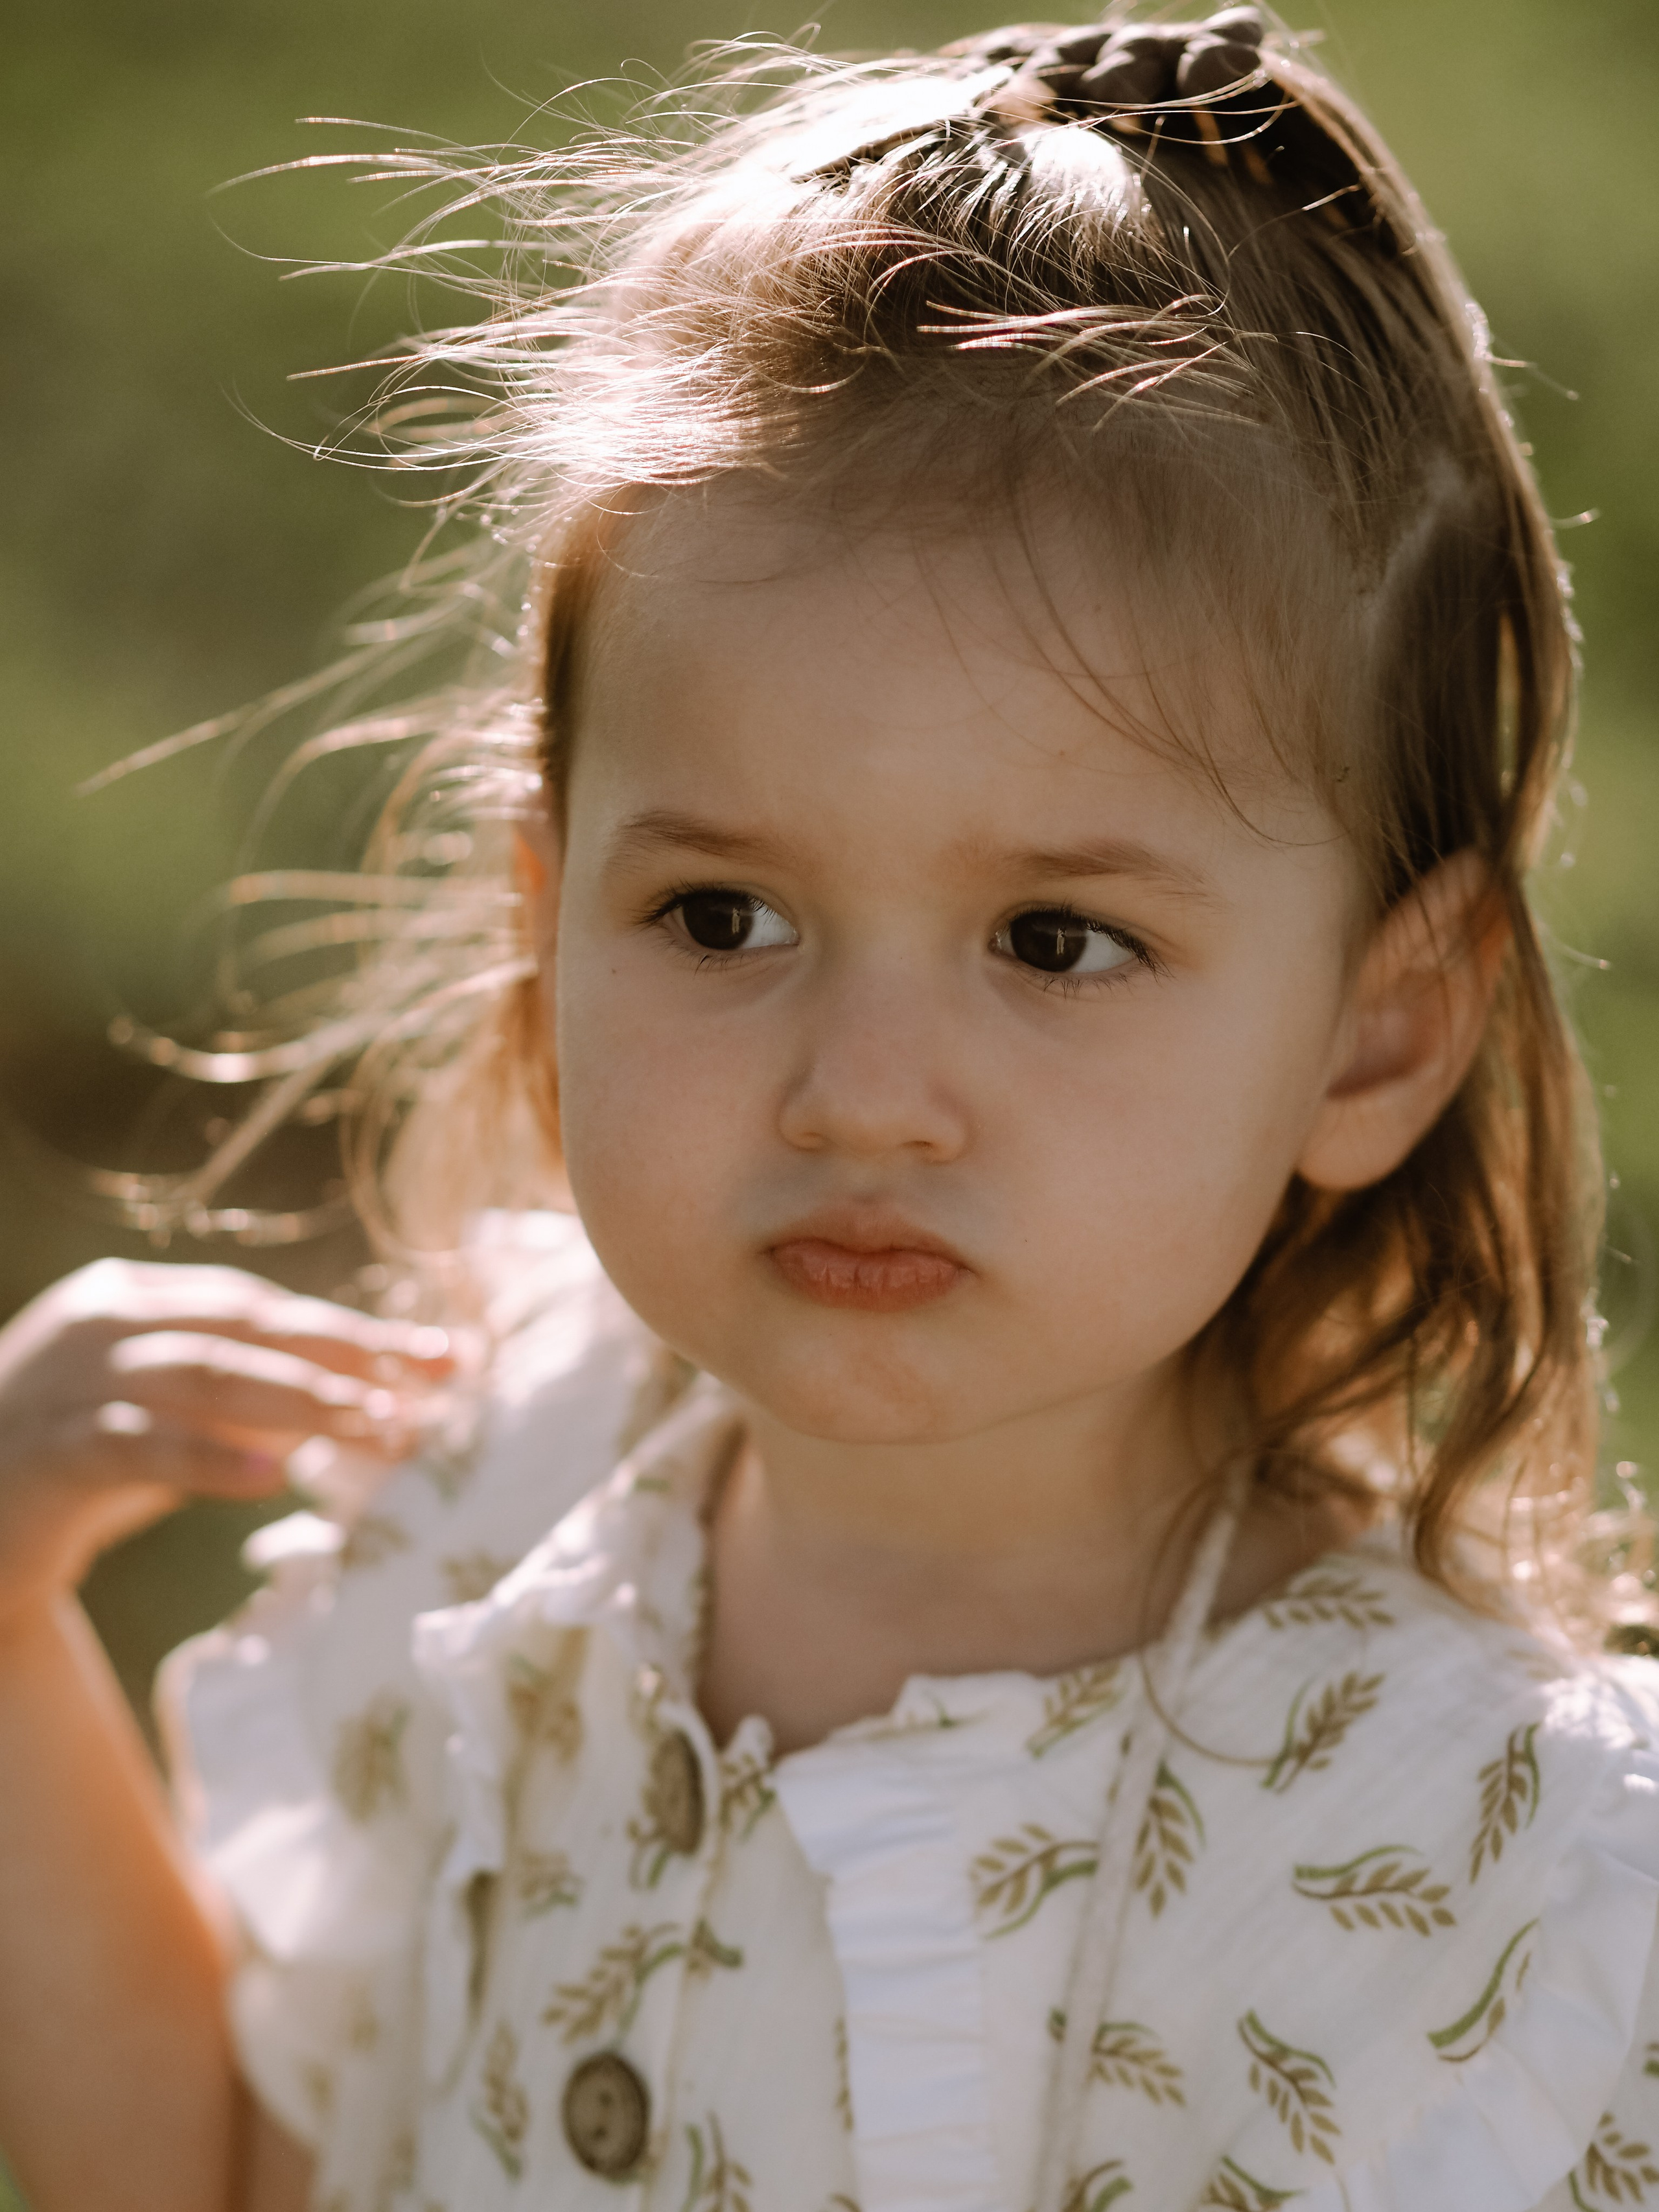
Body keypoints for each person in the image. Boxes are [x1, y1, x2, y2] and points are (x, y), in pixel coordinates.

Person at [1, 9, 1655, 2209]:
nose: (866, 1097)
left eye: (1056, 943)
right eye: (719, 916)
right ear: (546, 921)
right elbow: (207, 2175)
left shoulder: (1476, 1881)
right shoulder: (482, 1514)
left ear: (1375, 1032)